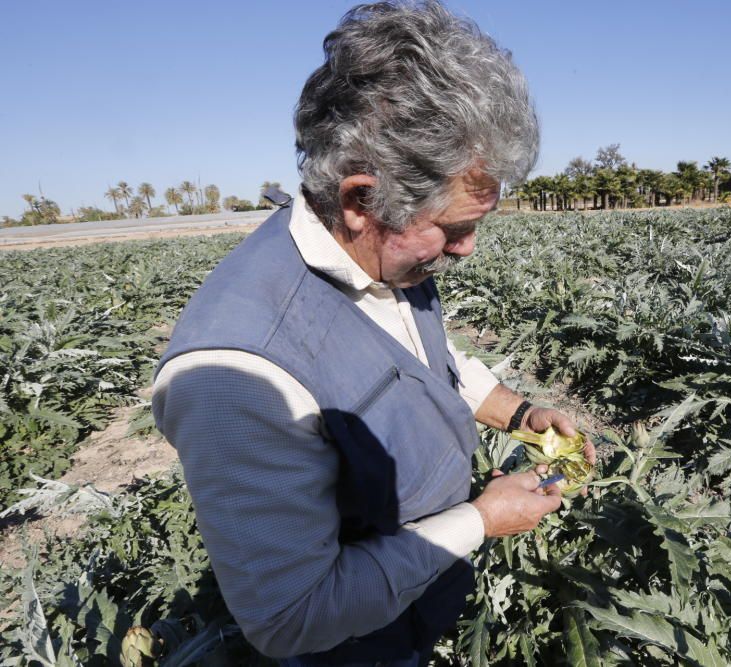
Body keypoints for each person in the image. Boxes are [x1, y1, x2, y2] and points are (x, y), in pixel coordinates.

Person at [151, 2, 595, 665]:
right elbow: (290, 617)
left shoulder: (386, 256)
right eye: (453, 227)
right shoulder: (237, 377)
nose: (468, 248)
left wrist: (521, 413)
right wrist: (481, 519)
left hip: (416, 609)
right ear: (361, 200)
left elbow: (428, 356)